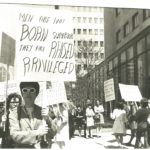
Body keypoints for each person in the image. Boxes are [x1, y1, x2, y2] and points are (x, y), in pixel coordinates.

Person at [9, 82, 57, 148]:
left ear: (36, 94)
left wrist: (47, 119)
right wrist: (37, 133)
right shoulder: (15, 112)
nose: (28, 93)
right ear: (22, 94)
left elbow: (53, 133)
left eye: (32, 90)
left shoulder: (42, 111)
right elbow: (14, 134)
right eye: (25, 90)